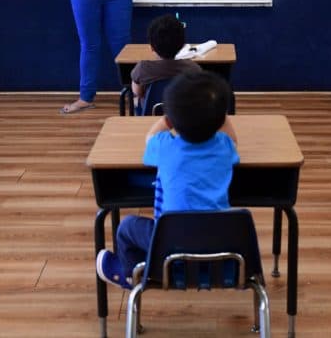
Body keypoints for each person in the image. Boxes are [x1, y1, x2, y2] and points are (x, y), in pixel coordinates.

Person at [95, 70, 239, 288]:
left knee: (126, 227)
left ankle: (133, 274)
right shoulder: (225, 148)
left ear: (171, 119)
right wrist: (218, 114)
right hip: (217, 244)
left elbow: (149, 137)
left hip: (168, 243)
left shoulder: (165, 147)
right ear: (220, 119)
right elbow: (233, 138)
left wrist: (167, 119)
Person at [130, 14, 201, 111]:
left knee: (136, 100)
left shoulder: (142, 68)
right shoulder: (193, 69)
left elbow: (137, 92)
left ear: (151, 46)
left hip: (150, 117)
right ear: (182, 46)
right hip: (182, 119)